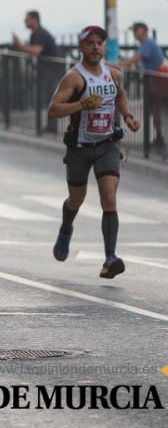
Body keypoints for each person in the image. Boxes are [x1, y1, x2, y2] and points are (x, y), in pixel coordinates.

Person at [48, 26, 140, 279]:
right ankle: (66, 227)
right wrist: (81, 104)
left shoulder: (113, 75)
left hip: (107, 145)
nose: (96, 47)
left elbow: (120, 96)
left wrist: (128, 117)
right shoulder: (74, 78)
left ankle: (110, 258)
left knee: (109, 198)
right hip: (79, 147)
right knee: (76, 199)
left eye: (100, 43)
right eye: (90, 43)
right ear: (81, 47)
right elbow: (53, 110)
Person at [115, 22, 167, 149]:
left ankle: (159, 139)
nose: (134, 33)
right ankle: (159, 137)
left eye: (136, 30)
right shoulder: (146, 44)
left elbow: (133, 59)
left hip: (158, 81)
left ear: (143, 30)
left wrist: (117, 65)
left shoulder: (148, 44)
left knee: (156, 110)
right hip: (156, 81)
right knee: (155, 110)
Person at [13, 10, 61, 133]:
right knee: (46, 96)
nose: (25, 21)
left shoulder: (41, 34)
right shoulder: (35, 34)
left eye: (27, 19)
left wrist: (20, 45)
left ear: (34, 19)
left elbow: (36, 51)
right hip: (46, 69)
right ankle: (49, 125)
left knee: (50, 96)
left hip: (52, 70)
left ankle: (52, 126)